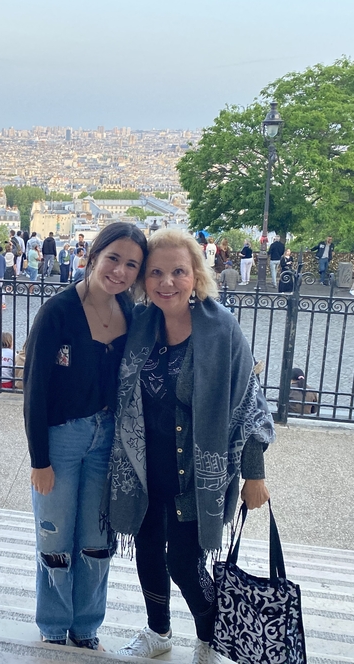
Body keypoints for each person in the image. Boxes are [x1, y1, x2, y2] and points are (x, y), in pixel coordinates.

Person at [106, 227, 274, 662]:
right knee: (146, 552)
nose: (166, 283)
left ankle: (209, 635)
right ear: (144, 280)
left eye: (178, 272)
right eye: (156, 273)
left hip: (198, 471)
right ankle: (158, 631)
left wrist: (254, 474)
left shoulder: (222, 332)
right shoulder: (140, 325)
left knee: (184, 563)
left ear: (196, 275)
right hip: (145, 467)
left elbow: (250, 407)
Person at [24, 222, 147, 651]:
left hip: (108, 439)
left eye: (132, 264)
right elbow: (35, 389)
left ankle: (87, 626)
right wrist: (39, 459)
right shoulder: (58, 312)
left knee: (97, 541)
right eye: (114, 258)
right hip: (61, 438)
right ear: (94, 255)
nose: (120, 271)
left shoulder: (131, 314)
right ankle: (55, 627)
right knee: (55, 536)